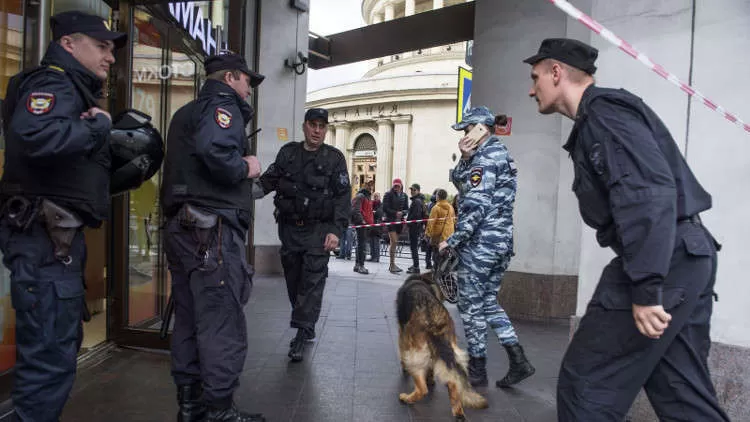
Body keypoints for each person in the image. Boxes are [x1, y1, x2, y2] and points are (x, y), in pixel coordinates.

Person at [524, 38, 730, 421]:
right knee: (681, 393)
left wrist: (647, 287)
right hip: (687, 253)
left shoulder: (604, 114)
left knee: (586, 384)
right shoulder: (601, 118)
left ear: (557, 72)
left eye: (536, 77)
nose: (531, 88)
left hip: (665, 259)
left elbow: (646, 193)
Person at [0, 11, 126, 421]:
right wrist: (98, 129)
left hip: (53, 242)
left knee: (55, 350)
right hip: (43, 241)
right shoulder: (53, 82)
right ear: (69, 44)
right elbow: (35, 136)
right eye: (102, 46)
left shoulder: (72, 90)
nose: (110, 57)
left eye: (112, 49)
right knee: (49, 359)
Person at [161, 51, 266, 422]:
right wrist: (245, 167)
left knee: (189, 319)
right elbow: (216, 152)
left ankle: (190, 406)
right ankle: (219, 411)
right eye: (247, 81)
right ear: (230, 78)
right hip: (211, 232)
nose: (250, 89)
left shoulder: (185, 113)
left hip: (184, 228)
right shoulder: (224, 106)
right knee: (221, 320)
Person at [439, 106, 535, 388]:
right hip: (500, 244)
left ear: (480, 129)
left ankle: (477, 371)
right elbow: (460, 181)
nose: (464, 134)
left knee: (470, 306)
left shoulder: (486, 159)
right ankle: (518, 361)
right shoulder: (495, 154)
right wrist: (465, 158)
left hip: (481, 244)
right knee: (489, 303)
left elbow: (475, 206)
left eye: (467, 129)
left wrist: (451, 241)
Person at [257, 108, 350, 362]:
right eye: (313, 125)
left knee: (311, 281)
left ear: (326, 129)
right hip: (289, 230)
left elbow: (343, 197)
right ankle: (305, 322)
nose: (317, 130)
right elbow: (269, 180)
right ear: (304, 126)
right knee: (294, 281)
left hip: (318, 231)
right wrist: (241, 191)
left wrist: (336, 231)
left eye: (322, 126)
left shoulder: (334, 158)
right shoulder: (288, 153)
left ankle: (300, 333)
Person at [382, 179, 409, 273]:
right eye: (395, 186)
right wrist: (395, 213)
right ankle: (392, 264)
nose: (396, 187)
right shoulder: (388, 194)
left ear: (401, 185)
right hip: (391, 220)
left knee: (394, 243)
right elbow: (384, 207)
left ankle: (393, 264)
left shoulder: (405, 195)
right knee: (394, 241)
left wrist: (403, 213)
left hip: (400, 222)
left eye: (398, 186)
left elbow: (407, 208)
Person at [425, 189, 454, 269]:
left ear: (438, 197)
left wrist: (427, 234)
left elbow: (431, 222)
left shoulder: (436, 208)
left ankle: (436, 272)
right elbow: (453, 221)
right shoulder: (451, 207)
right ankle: (444, 271)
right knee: (445, 255)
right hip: (448, 235)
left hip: (437, 236)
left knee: (436, 255)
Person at [350, 179, 374, 274]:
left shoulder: (367, 197)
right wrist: (362, 221)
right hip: (362, 225)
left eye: (371, 185)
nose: (370, 187)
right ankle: (361, 265)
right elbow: (356, 210)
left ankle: (357, 265)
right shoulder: (361, 196)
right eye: (368, 185)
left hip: (366, 224)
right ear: (364, 185)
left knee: (361, 245)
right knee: (362, 245)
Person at [406, 183, 426, 274]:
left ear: (418, 191)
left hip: (414, 228)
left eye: (414, 190)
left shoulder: (417, 201)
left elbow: (416, 215)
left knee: (413, 248)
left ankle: (416, 267)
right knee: (413, 247)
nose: (412, 192)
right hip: (416, 227)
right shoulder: (418, 200)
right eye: (411, 190)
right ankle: (415, 265)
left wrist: (409, 221)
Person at [423, 190, 438, 270]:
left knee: (428, 248)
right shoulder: (437, 205)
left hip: (428, 228)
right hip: (435, 229)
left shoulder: (429, 203)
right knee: (435, 248)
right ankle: (434, 263)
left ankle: (428, 263)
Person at [368, 192, 383, 262]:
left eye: (376, 196)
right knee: (371, 242)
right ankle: (372, 256)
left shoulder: (381, 204)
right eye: (374, 196)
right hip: (371, 226)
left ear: (379, 197)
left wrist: (374, 212)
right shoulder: (371, 204)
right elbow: (368, 212)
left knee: (376, 242)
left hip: (377, 226)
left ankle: (376, 257)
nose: (375, 197)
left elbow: (380, 213)